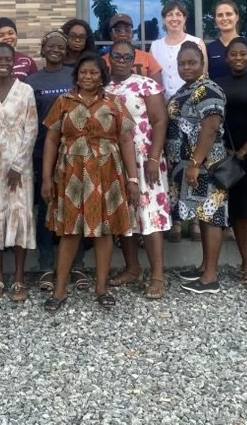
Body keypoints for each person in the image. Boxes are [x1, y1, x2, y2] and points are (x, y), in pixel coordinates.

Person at [41, 53, 140, 312]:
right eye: (83, 72)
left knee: (104, 231)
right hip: (71, 172)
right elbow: (51, 140)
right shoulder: (63, 101)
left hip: (107, 172)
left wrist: (132, 178)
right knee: (70, 231)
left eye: (93, 72)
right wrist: (46, 177)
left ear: (102, 76)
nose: (88, 76)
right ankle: (60, 289)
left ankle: (101, 288)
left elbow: (127, 140)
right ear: (77, 75)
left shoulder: (115, 103)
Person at [104, 42, 171, 300]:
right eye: (117, 56)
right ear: (109, 59)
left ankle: (157, 276)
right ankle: (133, 268)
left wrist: (154, 157)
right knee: (125, 215)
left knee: (150, 214)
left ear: (134, 60)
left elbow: (160, 120)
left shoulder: (146, 84)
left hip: (145, 159)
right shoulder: (105, 89)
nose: (121, 60)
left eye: (127, 57)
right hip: (115, 160)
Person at [0, 44, 39, 303]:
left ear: (15, 62)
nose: (3, 62)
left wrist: (18, 165)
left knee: (19, 213)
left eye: (8, 59)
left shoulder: (25, 91)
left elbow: (32, 128)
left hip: (19, 162)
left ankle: (19, 279)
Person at [165, 41, 229, 295]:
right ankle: (205, 266)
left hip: (207, 167)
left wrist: (195, 163)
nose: (186, 67)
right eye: (182, 63)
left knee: (212, 216)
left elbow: (211, 127)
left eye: (192, 62)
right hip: (191, 166)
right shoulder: (188, 88)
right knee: (203, 215)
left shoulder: (208, 89)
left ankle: (211, 276)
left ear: (202, 63)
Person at [212, 37, 247, 289]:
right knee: (235, 209)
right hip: (227, 154)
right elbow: (214, 117)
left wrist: (245, 149)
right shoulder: (218, 83)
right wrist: (226, 149)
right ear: (226, 58)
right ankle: (245, 262)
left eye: (243, 54)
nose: (238, 58)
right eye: (233, 54)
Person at [24, 31, 80, 290]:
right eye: (51, 46)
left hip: (76, 152)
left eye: (61, 46)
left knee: (76, 209)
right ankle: (46, 265)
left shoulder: (75, 76)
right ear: (43, 49)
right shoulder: (32, 80)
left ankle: (76, 265)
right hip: (42, 152)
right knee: (46, 210)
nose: (56, 49)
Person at [149, 2, 206, 97]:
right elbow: (151, 80)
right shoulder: (155, 46)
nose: (174, 18)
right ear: (164, 19)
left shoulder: (198, 43)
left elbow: (203, 77)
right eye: (169, 15)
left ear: (184, 18)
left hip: (191, 102)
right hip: (162, 104)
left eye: (178, 14)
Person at [205, 0, 247, 80]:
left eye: (229, 14)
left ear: (237, 17)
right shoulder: (210, 49)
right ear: (216, 20)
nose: (224, 18)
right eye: (220, 15)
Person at [100, 14, 163, 86]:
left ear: (132, 34)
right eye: (117, 31)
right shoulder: (102, 61)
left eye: (127, 30)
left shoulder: (147, 58)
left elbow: (157, 88)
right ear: (111, 34)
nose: (123, 34)